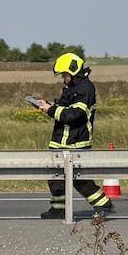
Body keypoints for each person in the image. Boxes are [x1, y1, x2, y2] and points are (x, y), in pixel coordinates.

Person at [35, 52, 111, 220]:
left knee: (79, 180)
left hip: (76, 142)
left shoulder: (85, 88)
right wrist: (48, 106)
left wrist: (51, 110)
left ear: (73, 70)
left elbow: (75, 114)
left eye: (64, 74)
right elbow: (65, 109)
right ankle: (59, 208)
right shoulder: (72, 88)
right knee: (54, 177)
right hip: (61, 140)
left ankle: (103, 205)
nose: (63, 77)